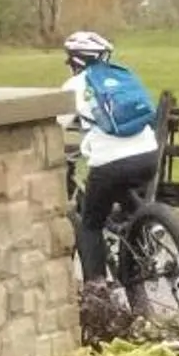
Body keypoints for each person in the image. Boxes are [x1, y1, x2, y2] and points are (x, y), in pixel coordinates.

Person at [60, 30, 160, 285]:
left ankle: (97, 286)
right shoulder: (123, 76)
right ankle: (149, 224)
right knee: (119, 188)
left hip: (109, 163)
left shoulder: (75, 84)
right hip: (148, 154)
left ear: (76, 61)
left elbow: (57, 124)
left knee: (91, 224)